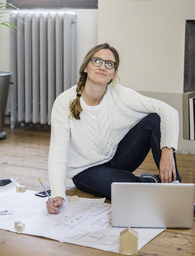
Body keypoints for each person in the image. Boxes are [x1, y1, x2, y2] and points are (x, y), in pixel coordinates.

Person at [46, 43, 181, 214]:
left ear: (113, 73)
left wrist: (167, 150)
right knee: (128, 190)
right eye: (97, 61)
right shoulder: (64, 102)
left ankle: (176, 189)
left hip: (116, 159)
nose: (103, 67)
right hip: (85, 171)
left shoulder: (120, 94)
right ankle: (148, 183)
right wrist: (58, 194)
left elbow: (168, 111)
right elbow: (57, 152)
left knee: (154, 119)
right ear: (86, 67)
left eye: (109, 64)